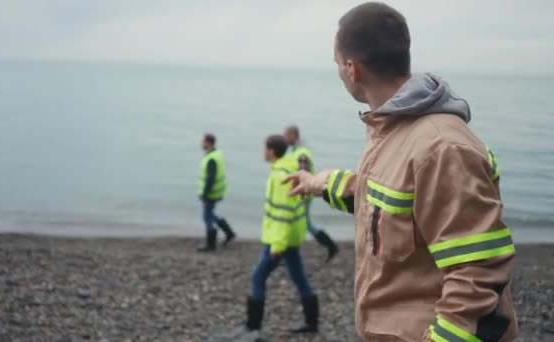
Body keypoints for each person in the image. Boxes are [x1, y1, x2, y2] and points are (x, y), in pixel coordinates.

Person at [283, 3, 517, 341]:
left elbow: (479, 274)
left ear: (352, 68)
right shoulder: (394, 128)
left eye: (336, 64)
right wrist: (319, 183)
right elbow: (386, 199)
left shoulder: (442, 148)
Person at [215, 135, 318, 341]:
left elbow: (283, 212)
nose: (263, 152)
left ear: (271, 151)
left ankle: (253, 329)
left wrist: (277, 244)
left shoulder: (279, 176)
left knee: (257, 277)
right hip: (291, 237)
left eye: (264, 148)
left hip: (280, 239)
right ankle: (311, 323)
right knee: (298, 277)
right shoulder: (290, 167)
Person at [284, 125, 339, 261]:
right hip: (304, 193)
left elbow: (303, 173)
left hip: (303, 193)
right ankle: (330, 246)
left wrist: (295, 190)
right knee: (302, 223)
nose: (284, 138)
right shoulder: (297, 150)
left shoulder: (301, 153)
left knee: (303, 223)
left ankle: (331, 246)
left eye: (286, 135)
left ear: (293, 135)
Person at [197, 133, 236, 252]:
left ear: (208, 143)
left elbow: (210, 178)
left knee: (206, 217)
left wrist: (204, 194)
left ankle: (210, 244)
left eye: (202, 141)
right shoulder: (216, 154)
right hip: (217, 191)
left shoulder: (212, 159)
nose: (201, 143)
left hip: (211, 193)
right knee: (211, 215)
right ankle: (229, 232)